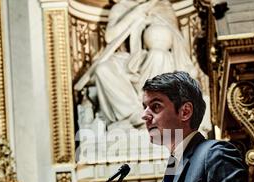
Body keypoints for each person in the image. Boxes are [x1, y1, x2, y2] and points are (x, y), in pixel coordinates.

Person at [75, 0, 199, 128]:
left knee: (158, 56)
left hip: (154, 55)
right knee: (103, 69)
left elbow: (175, 38)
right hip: (129, 59)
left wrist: (154, 23)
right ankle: (134, 113)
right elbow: (110, 36)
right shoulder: (120, 7)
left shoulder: (163, 5)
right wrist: (135, 14)